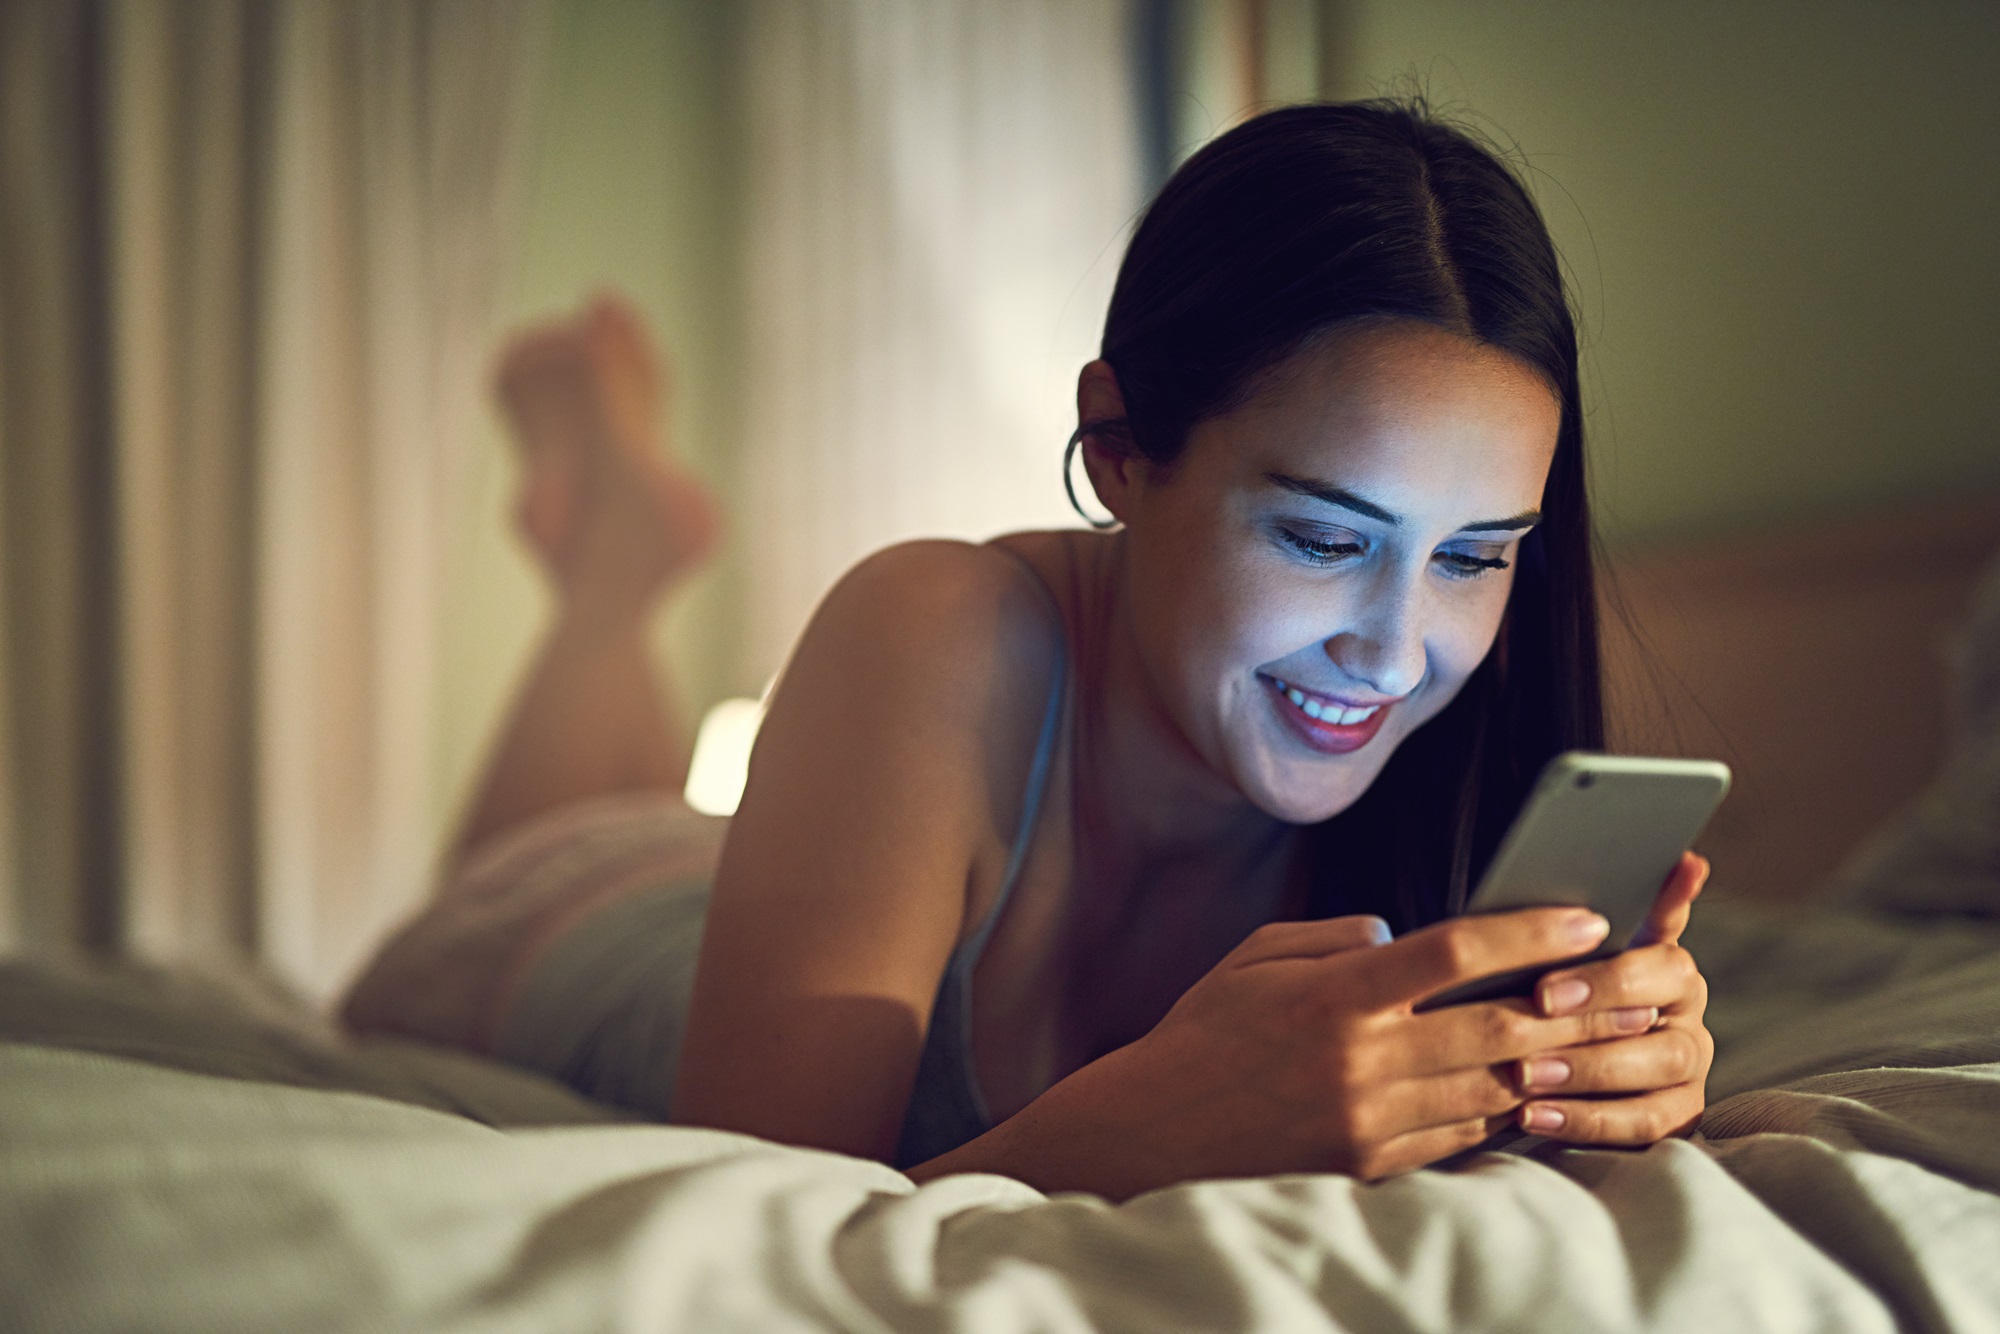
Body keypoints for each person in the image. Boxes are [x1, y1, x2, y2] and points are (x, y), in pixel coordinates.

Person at [344, 100, 1712, 1201]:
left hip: (806, 868)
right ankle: (610, 577)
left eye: (1472, 555)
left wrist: (1590, 1055)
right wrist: (1161, 1114)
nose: (1397, 651)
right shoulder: (937, 633)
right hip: (586, 924)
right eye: (1320, 538)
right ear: (1118, 445)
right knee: (577, 838)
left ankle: (617, 556)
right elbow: (757, 1219)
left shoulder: (1461, 759)